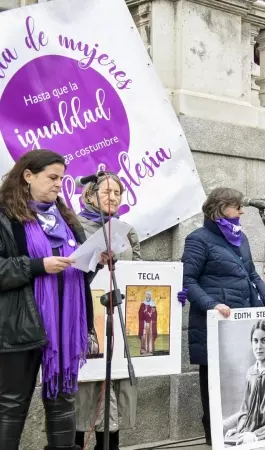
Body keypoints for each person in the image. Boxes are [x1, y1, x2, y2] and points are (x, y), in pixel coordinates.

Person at [0, 150, 105, 450]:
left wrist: (96, 260)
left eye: (61, 178)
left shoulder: (67, 217)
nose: (59, 184)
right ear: (28, 176)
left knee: (62, 399)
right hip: (21, 323)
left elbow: (79, 271)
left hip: (65, 325)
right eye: (52, 177)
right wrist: (38, 266)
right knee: (11, 403)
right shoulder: (5, 216)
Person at [182, 187, 265, 445]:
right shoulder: (199, 239)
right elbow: (187, 280)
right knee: (212, 377)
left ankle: (241, 430)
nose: (241, 212)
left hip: (241, 318)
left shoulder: (241, 238)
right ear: (219, 208)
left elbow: (251, 275)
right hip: (215, 320)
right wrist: (211, 304)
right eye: (236, 207)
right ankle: (213, 435)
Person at [74, 172, 142, 450]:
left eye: (118, 193)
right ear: (90, 195)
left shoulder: (126, 230)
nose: (113, 197)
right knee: (84, 392)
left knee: (114, 387)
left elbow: (138, 273)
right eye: (107, 192)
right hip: (85, 318)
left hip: (118, 321)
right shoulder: (73, 225)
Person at [222, 320, 265, 445]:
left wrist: (255, 435)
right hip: (249, 429)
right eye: (255, 341)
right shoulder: (251, 372)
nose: (258, 346)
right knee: (224, 434)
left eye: (263, 340)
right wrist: (239, 430)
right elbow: (246, 410)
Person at [138, 290, 158, 356]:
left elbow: (155, 314)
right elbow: (140, 313)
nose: (148, 296)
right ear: (145, 295)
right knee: (144, 336)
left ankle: (150, 350)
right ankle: (143, 350)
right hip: (144, 323)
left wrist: (151, 313)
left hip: (151, 324)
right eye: (147, 294)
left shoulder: (153, 304)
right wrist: (144, 312)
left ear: (151, 296)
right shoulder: (143, 304)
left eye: (149, 294)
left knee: (150, 336)